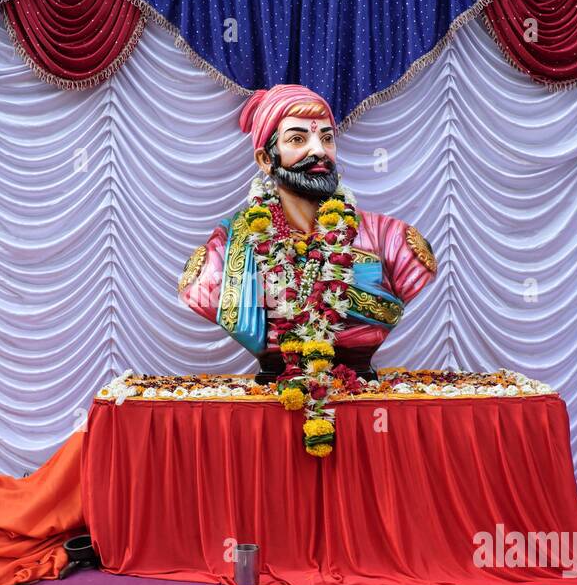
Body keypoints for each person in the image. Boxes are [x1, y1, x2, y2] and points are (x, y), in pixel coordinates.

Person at [178, 83, 437, 382]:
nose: (318, 151)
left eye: (326, 138)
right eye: (298, 138)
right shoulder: (224, 251)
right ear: (265, 159)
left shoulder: (393, 240)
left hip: (355, 387)